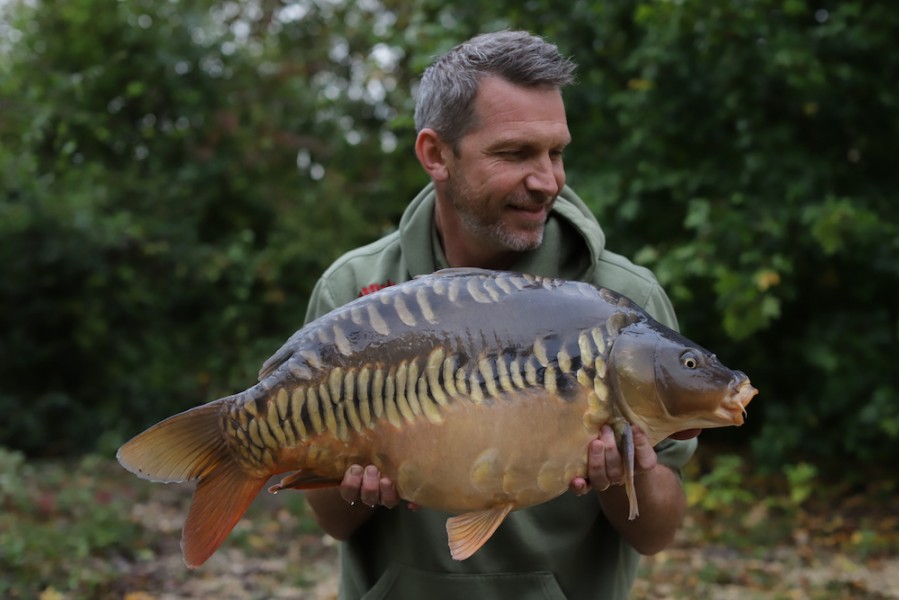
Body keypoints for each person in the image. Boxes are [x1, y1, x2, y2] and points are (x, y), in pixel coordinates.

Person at [302, 30, 698, 600]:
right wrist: (351, 480)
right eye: (514, 154)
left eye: (556, 152)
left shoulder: (622, 302)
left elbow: (657, 534)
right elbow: (334, 524)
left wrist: (627, 475)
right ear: (436, 155)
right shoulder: (355, 293)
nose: (548, 182)